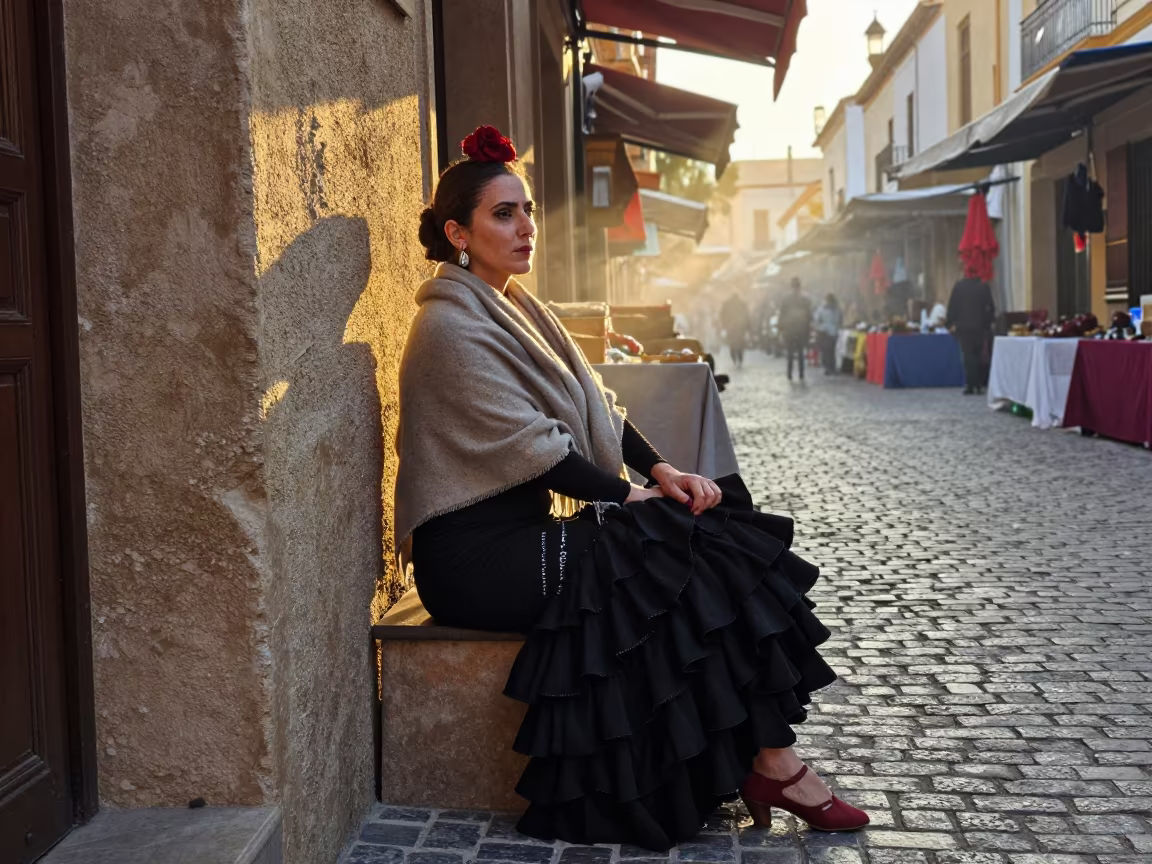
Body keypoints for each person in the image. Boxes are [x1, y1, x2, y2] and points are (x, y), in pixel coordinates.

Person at [395, 126, 868, 852]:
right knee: (665, 549)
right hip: (474, 559)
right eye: (503, 214)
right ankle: (769, 766)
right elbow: (538, 448)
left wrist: (662, 473)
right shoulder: (447, 326)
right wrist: (626, 498)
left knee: (708, 532)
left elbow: (599, 405)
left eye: (528, 211)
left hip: (527, 534)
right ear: (458, 232)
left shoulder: (517, 307)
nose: (525, 228)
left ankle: (772, 761)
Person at [946, 269, 996, 395]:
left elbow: (952, 305)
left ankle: (970, 384)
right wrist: (988, 322)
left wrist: (950, 323)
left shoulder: (959, 286)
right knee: (978, 355)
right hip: (980, 327)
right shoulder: (983, 286)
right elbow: (990, 307)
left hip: (963, 327)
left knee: (968, 356)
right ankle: (978, 384)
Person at [778, 277, 813, 381]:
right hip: (801, 330)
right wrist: (808, 328)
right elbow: (809, 315)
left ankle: (789, 373)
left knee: (790, 353)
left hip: (790, 330)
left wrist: (781, 329)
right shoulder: (805, 300)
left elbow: (782, 315)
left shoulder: (786, 299)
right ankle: (801, 373)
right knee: (801, 352)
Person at [719, 290, 752, 369]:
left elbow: (722, 316)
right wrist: (748, 328)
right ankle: (740, 359)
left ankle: (734, 359)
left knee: (732, 344)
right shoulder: (742, 303)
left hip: (731, 328)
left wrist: (724, 326)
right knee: (740, 344)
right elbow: (747, 316)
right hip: (740, 327)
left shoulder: (727, 304)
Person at [813, 293, 842, 376]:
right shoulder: (836, 309)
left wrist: (820, 326)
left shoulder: (822, 308)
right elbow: (839, 320)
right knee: (830, 350)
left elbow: (816, 319)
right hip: (831, 332)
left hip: (825, 331)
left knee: (827, 351)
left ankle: (828, 367)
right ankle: (831, 367)